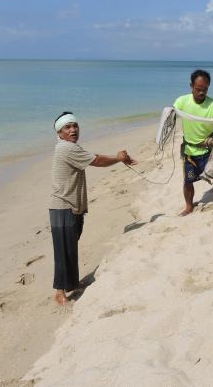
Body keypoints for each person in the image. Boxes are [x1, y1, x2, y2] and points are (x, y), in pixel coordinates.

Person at [50, 111, 137, 305]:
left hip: (73, 207)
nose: (73, 130)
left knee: (71, 248)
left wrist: (118, 158)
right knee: (63, 251)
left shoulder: (72, 147)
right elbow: (96, 161)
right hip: (62, 207)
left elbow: (93, 157)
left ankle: (72, 283)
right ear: (60, 132)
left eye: (75, 126)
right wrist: (119, 158)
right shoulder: (65, 148)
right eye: (68, 127)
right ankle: (59, 292)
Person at [174, 70, 213, 216]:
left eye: (205, 89)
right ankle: (189, 206)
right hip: (190, 151)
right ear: (191, 86)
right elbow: (173, 110)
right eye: (198, 89)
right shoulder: (182, 101)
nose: (201, 92)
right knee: (188, 181)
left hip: (210, 149)